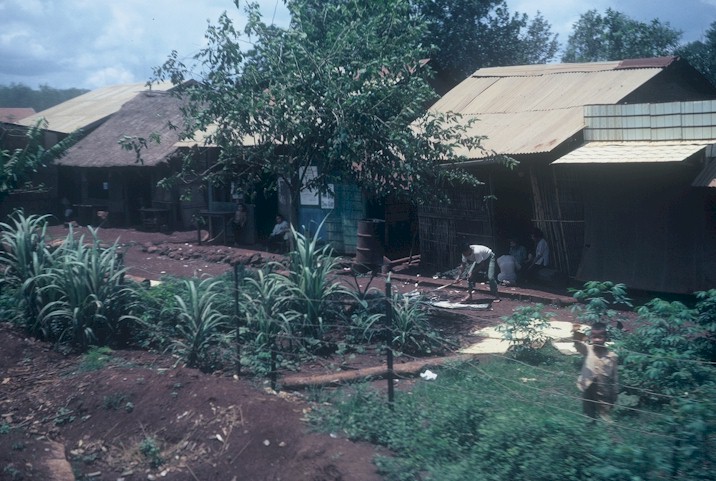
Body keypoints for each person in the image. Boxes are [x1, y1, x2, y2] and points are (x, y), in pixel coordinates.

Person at [573, 322, 618, 422]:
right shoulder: (588, 350)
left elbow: (614, 376)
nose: (597, 340)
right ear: (590, 337)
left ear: (606, 338)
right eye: (594, 337)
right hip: (588, 386)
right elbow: (578, 345)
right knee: (588, 408)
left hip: (603, 389)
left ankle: (606, 426)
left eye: (600, 337)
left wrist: (614, 391)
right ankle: (589, 424)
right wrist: (576, 333)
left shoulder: (612, 356)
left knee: (604, 410)